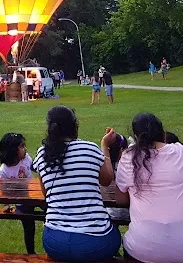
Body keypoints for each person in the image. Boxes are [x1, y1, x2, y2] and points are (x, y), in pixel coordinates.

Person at [115, 113, 183, 263]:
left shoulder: (128, 156)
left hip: (143, 249)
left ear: (136, 136)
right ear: (162, 132)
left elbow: (121, 199)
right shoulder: (181, 152)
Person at [32, 106, 121, 262]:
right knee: (115, 236)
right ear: (75, 126)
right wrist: (105, 146)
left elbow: (46, 193)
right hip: (96, 242)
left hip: (55, 241)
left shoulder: (42, 153)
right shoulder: (90, 148)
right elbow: (107, 180)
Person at [0, 132, 37, 254]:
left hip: (35, 194)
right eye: (22, 146)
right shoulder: (4, 171)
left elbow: (35, 168)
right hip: (22, 200)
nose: (25, 149)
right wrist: (6, 204)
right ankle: (31, 253)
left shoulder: (26, 159)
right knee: (29, 226)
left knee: (49, 212)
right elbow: (4, 190)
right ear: (12, 150)